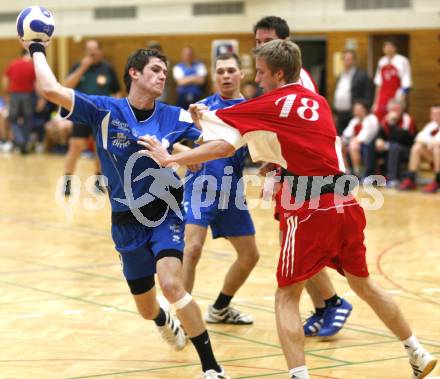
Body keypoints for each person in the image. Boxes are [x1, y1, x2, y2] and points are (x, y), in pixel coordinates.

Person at [140, 39, 437, 379]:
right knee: (365, 284)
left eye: (263, 74)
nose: (259, 81)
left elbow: (222, 145)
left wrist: (172, 157)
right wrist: (281, 166)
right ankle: (416, 349)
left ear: (279, 73)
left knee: (286, 296)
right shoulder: (319, 101)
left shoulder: (269, 102)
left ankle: (299, 375)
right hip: (348, 202)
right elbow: (306, 144)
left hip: (311, 208)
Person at [22, 37, 229, 379]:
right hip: (124, 221)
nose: (163, 76)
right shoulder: (105, 110)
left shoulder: (173, 115)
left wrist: (191, 144)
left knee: (171, 285)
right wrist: (36, 47)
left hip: (165, 212)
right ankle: (164, 320)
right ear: (134, 72)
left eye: (165, 71)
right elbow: (49, 88)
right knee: (147, 308)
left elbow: (221, 142)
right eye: (156, 70)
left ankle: (212, 367)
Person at [254, 15, 352, 338]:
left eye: (265, 41)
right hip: (290, 170)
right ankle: (326, 305)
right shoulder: (274, 81)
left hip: (313, 177)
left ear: (283, 43)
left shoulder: (299, 83)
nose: (259, 46)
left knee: (299, 245)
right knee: (291, 242)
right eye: (256, 42)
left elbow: (303, 132)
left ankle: (333, 301)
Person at [182, 53, 259, 325]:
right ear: (215, 77)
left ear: (241, 74)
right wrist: (186, 154)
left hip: (231, 191)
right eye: (220, 71)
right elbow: (176, 144)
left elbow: (255, 151)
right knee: (191, 250)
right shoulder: (201, 108)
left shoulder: (251, 110)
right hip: (201, 187)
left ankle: (220, 308)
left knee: (250, 256)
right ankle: (183, 318)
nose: (225, 76)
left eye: (230, 70)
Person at [62, 39, 121, 196]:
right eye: (89, 50)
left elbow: (116, 92)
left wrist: (117, 112)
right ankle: (67, 183)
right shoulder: (78, 66)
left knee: (99, 149)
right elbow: (67, 86)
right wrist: (83, 67)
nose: (92, 53)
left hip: (102, 115)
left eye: (95, 50)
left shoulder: (107, 68)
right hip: (81, 113)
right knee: (75, 146)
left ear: (100, 51)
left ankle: (98, 182)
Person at [375, 99, 416, 187]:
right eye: (391, 110)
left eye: (396, 110)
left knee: (394, 147)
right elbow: (381, 133)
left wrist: (392, 124)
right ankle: (372, 175)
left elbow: (402, 139)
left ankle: (393, 179)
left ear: (402, 110)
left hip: (408, 150)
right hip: (392, 146)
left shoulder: (407, 119)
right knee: (372, 145)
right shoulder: (385, 119)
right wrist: (379, 139)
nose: (393, 112)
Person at [399, 104, 440, 193]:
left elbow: (437, 142)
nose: (435, 116)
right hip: (434, 158)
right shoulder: (431, 125)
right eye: (433, 114)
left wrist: (432, 142)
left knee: (437, 148)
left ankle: (438, 180)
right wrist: (430, 142)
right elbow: (418, 138)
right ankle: (410, 179)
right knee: (416, 147)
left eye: (438, 114)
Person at [2, 49, 35, 154]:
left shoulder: (13, 64)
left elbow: (5, 79)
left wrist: (6, 93)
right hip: (28, 96)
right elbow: (37, 84)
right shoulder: (32, 66)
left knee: (13, 119)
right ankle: (23, 143)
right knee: (27, 120)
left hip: (15, 95)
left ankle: (20, 141)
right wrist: (42, 99)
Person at [333, 49, 374, 135]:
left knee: (352, 137)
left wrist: (365, 110)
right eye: (345, 59)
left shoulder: (362, 75)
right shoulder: (340, 75)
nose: (347, 61)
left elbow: (369, 94)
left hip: (353, 114)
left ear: (354, 60)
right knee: (341, 137)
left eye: (349, 59)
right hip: (340, 113)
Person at [372, 38, 411, 121]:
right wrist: (375, 103)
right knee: (380, 119)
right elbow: (378, 83)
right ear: (383, 49)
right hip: (383, 96)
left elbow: (406, 84)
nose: (388, 49)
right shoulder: (381, 61)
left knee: (393, 119)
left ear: (395, 48)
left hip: (396, 96)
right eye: (386, 47)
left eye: (390, 47)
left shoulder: (402, 61)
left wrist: (401, 101)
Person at [342, 100, 379, 178]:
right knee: (340, 145)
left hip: (369, 145)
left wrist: (352, 140)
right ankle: (346, 172)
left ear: (365, 109)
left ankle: (357, 173)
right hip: (355, 143)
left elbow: (365, 137)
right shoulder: (354, 121)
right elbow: (346, 134)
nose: (357, 111)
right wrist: (343, 141)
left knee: (353, 145)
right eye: (355, 109)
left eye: (359, 109)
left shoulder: (371, 119)